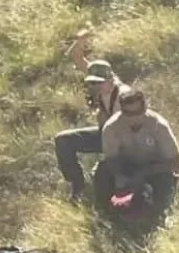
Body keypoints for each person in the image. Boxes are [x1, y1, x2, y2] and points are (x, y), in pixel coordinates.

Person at [54, 28, 133, 202]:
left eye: (98, 83)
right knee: (63, 140)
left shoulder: (123, 96)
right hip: (105, 134)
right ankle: (77, 185)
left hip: (124, 143)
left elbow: (124, 129)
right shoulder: (101, 79)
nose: (94, 86)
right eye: (92, 83)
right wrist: (80, 41)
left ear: (110, 79)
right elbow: (77, 59)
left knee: (103, 174)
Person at [93, 89, 179, 219]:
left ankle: (159, 217)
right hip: (126, 166)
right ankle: (105, 214)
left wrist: (143, 173)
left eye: (137, 112)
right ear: (121, 110)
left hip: (155, 168)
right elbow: (111, 158)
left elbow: (175, 161)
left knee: (165, 182)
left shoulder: (158, 125)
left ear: (145, 107)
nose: (134, 117)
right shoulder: (112, 127)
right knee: (102, 171)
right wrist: (120, 177)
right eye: (128, 113)